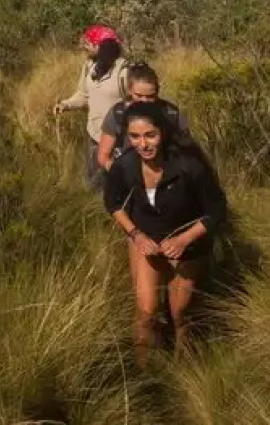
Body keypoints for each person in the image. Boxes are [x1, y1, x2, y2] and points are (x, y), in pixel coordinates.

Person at [103, 100, 228, 366]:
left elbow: (216, 210)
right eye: (134, 137)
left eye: (150, 135)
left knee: (181, 313)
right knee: (146, 312)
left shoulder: (189, 166)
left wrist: (184, 239)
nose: (143, 144)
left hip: (188, 244)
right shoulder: (124, 166)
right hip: (147, 239)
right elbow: (113, 204)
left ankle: (185, 365)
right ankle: (144, 372)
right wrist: (136, 235)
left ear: (163, 133)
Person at [52, 25, 131, 190]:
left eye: (89, 43)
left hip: (119, 140)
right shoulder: (89, 67)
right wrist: (66, 105)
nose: (85, 47)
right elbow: (83, 95)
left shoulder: (124, 71)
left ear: (101, 45)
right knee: (93, 186)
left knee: (119, 185)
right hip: (94, 136)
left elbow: (136, 101)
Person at [95, 62, 191, 172]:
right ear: (130, 91)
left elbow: (188, 153)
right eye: (139, 96)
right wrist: (118, 173)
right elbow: (103, 156)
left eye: (150, 96)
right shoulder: (118, 114)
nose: (144, 101)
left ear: (157, 91)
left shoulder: (172, 114)